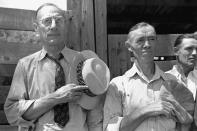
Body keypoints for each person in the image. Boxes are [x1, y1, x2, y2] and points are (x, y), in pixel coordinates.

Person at [4, 3, 103, 131]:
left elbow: (95, 115)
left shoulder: (85, 63)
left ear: (66, 25)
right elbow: (12, 112)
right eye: (47, 21)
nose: (53, 26)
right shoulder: (25, 65)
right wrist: (56, 97)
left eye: (58, 20)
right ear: (36, 28)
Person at [103, 22, 193, 131]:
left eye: (152, 39)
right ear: (129, 46)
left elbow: (184, 124)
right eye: (140, 40)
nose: (147, 44)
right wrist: (146, 110)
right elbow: (111, 128)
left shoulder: (174, 82)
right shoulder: (118, 85)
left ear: (156, 42)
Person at [166, 34, 197, 130]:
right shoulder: (165, 79)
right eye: (189, 49)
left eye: (196, 49)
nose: (195, 53)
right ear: (176, 51)